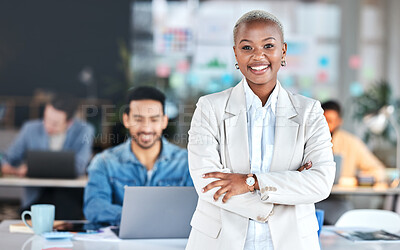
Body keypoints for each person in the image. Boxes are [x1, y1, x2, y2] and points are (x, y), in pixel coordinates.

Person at [186, 10, 335, 250]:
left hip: (291, 241)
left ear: (283, 51)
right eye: (247, 48)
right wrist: (287, 190)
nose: (258, 56)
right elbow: (208, 184)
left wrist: (252, 182)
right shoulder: (209, 107)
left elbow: (320, 183)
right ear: (235, 52)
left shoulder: (310, 112)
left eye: (268, 45)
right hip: (220, 240)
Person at [83, 86, 193, 225]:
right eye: (138, 119)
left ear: (164, 121)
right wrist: (149, 218)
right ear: (126, 120)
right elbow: (95, 208)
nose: (146, 128)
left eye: (154, 120)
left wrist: (137, 218)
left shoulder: (186, 162)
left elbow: (196, 208)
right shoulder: (104, 162)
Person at [1, 93, 94, 219]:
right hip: (37, 196)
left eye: (55, 124)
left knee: (64, 203)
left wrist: (35, 168)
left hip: (69, 196)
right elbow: (7, 158)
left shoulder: (84, 130)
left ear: (69, 122)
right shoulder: (30, 129)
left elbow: (79, 166)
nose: (48, 126)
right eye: (46, 119)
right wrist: (12, 169)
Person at [321, 100, 386, 185]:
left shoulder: (351, 143)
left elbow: (379, 171)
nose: (325, 126)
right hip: (312, 195)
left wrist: (358, 179)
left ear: (339, 122)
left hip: (340, 195)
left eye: (329, 121)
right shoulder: (306, 141)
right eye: (322, 121)